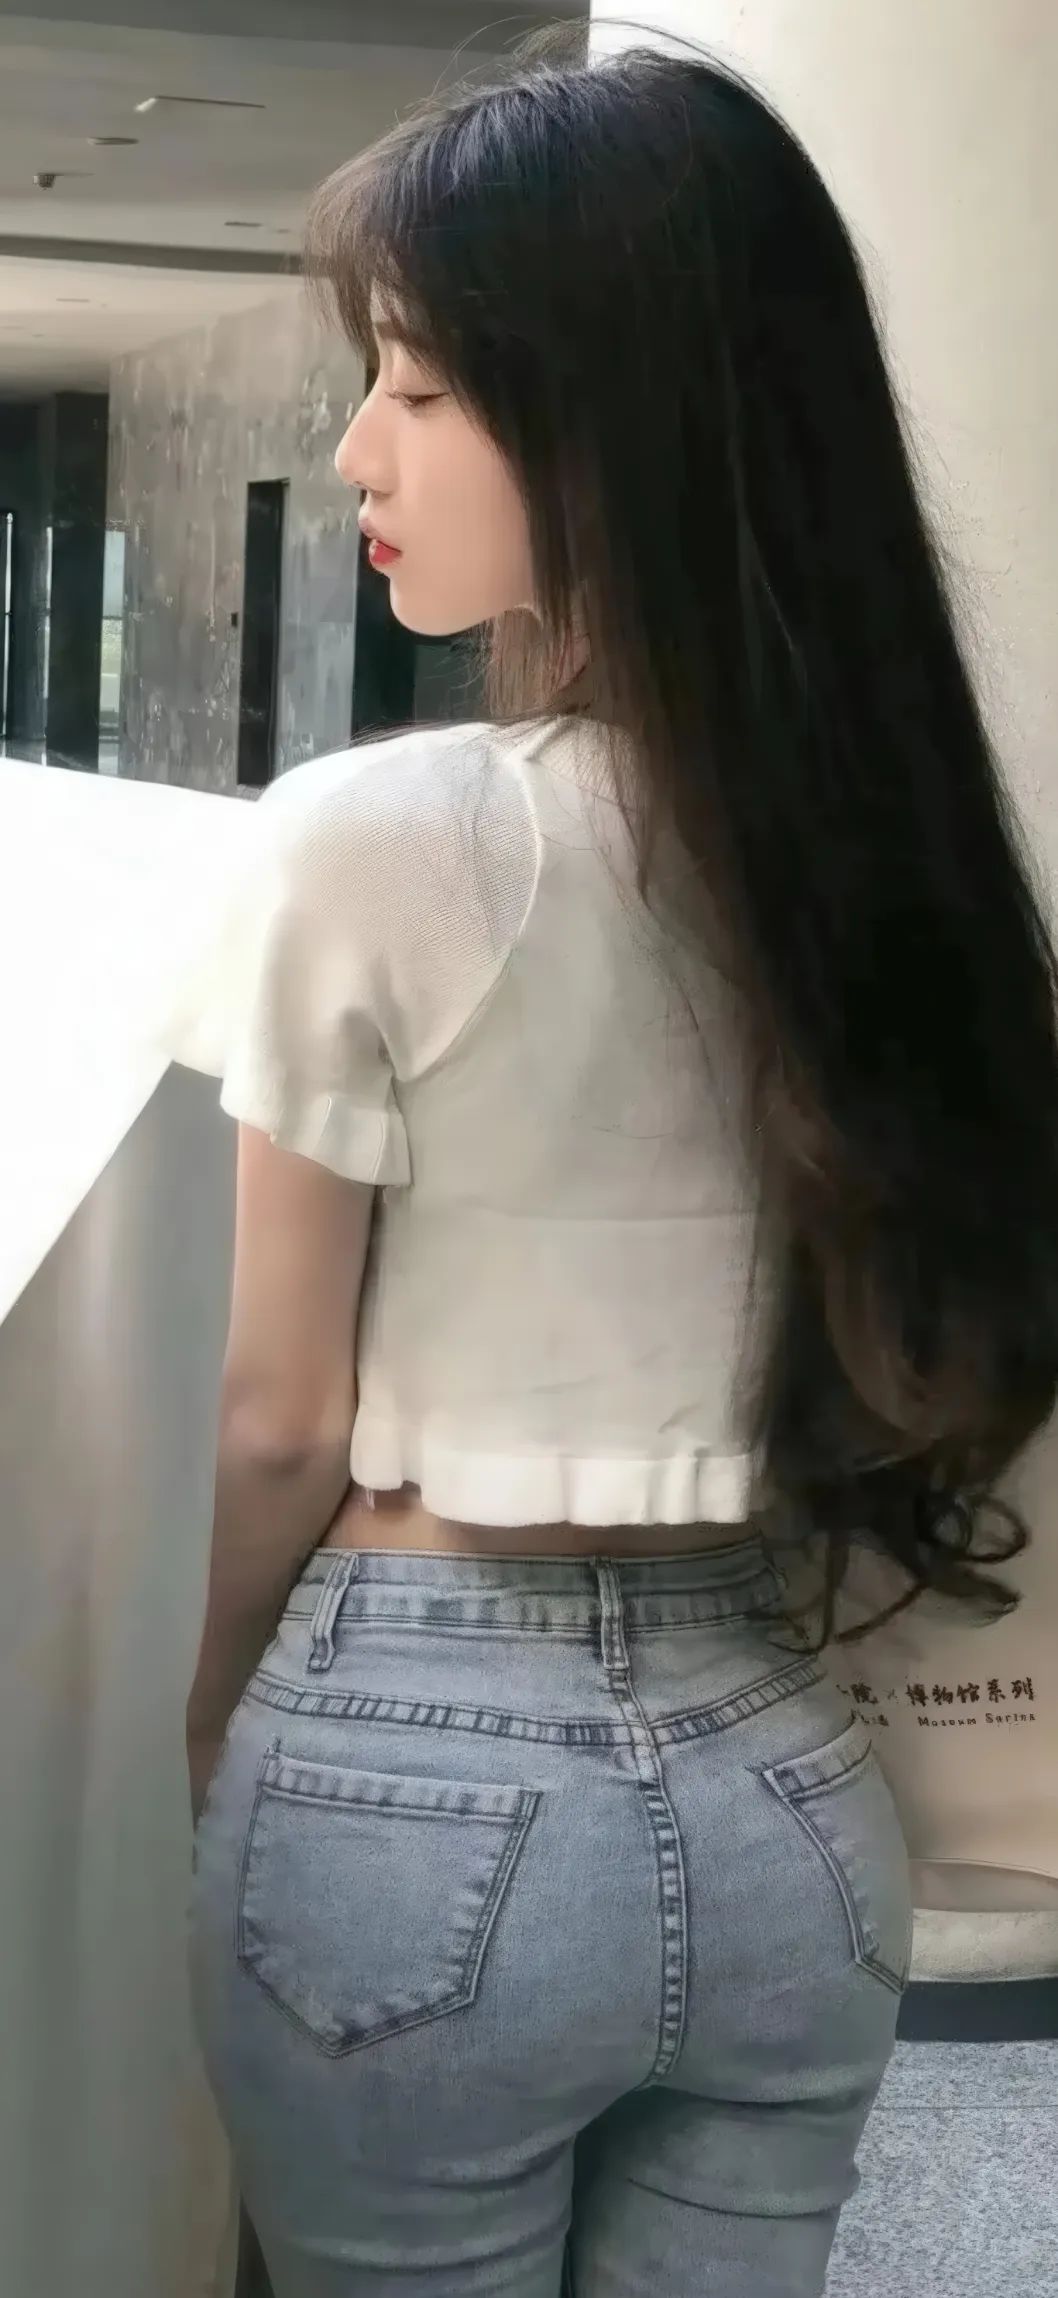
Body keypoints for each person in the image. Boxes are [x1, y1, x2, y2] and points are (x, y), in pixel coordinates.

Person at [182, 41, 1058, 2298]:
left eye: (420, 388)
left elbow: (277, 1416)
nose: (357, 451)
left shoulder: (375, 837)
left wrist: (214, 1725)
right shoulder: (908, 874)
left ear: (617, 423)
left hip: (413, 1753)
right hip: (788, 1780)